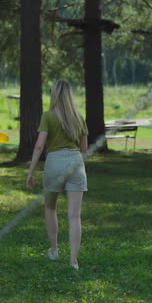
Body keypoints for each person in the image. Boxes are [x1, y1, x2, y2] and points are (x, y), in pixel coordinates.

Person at [26, 79, 88, 270]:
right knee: (75, 215)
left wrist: (31, 171)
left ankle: (54, 250)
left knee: (50, 208)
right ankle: (73, 261)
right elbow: (85, 149)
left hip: (54, 163)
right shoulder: (78, 117)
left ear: (54, 94)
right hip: (76, 163)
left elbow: (39, 145)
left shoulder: (48, 116)